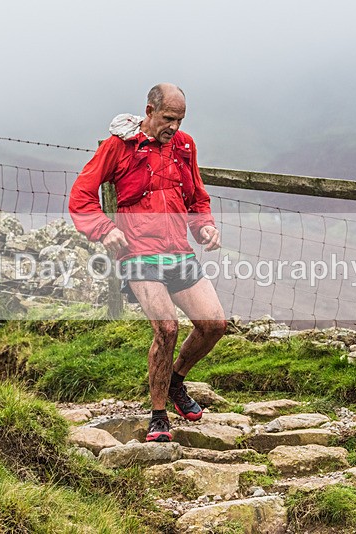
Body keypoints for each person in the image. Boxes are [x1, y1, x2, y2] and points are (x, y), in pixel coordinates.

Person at [69, 83, 227, 443]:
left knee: (214, 324)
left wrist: (204, 227)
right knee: (167, 328)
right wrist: (103, 229)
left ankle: (175, 381)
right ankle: (158, 416)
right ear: (150, 111)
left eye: (180, 119)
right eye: (168, 118)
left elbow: (197, 198)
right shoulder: (119, 146)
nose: (174, 126)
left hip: (178, 250)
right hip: (138, 252)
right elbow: (81, 194)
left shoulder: (184, 146)